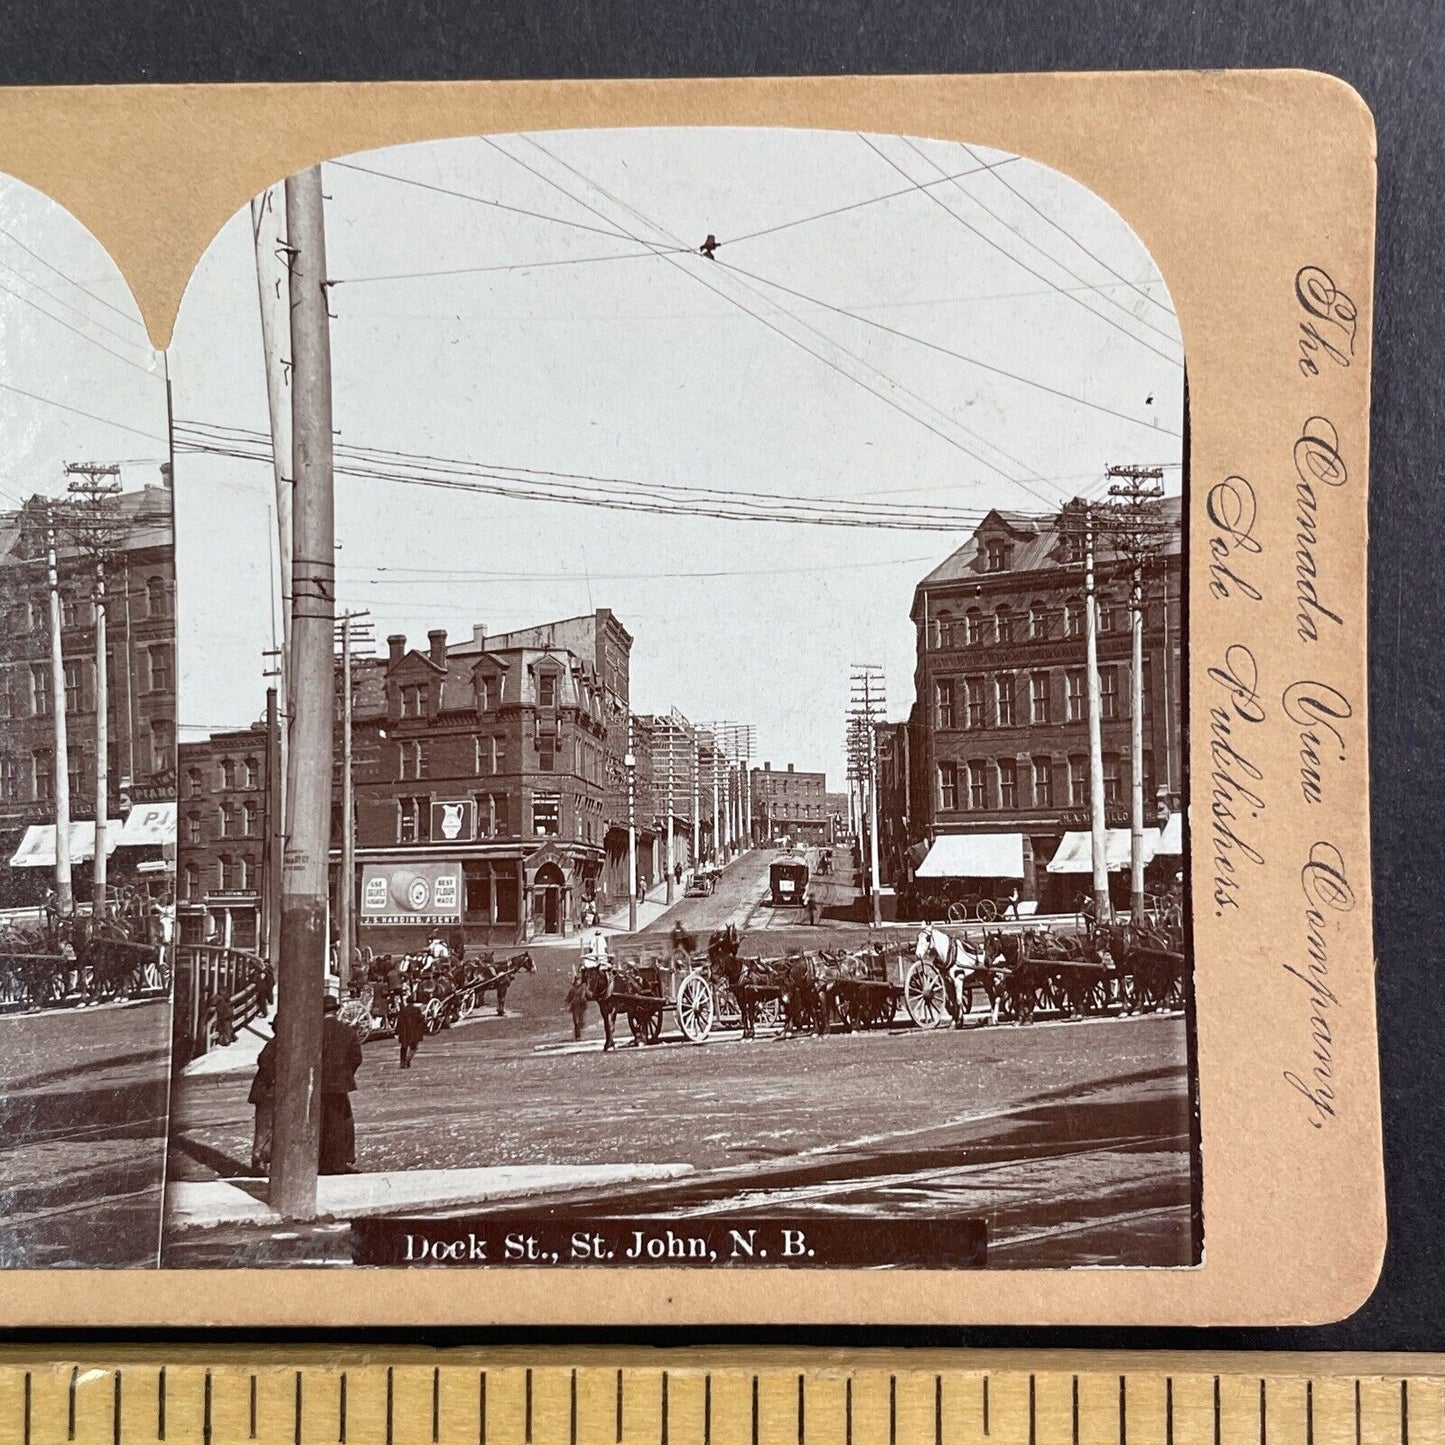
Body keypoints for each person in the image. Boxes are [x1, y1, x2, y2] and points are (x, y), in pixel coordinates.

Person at [319, 995, 363, 1174]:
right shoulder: (347, 1031)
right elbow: (356, 1058)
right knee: (338, 1123)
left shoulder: (314, 1030)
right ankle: (338, 1163)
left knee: (320, 1122)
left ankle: (321, 1162)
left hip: (318, 1083)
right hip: (339, 1084)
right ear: (336, 1011)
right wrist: (345, 1074)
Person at [249, 1026, 277, 1173]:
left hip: (272, 1093)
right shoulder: (274, 1044)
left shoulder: (277, 1043)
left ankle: (263, 1159)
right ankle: (258, 1161)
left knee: (269, 1129)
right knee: (264, 1129)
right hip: (266, 1093)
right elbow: (263, 1061)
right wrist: (273, 1079)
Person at [396, 991, 426, 1069]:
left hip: (404, 1032)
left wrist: (397, 1032)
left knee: (403, 1047)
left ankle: (402, 1062)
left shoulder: (403, 1010)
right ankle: (407, 1059)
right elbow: (420, 1019)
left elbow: (398, 1022)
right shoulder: (416, 1010)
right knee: (414, 1048)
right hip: (413, 1032)